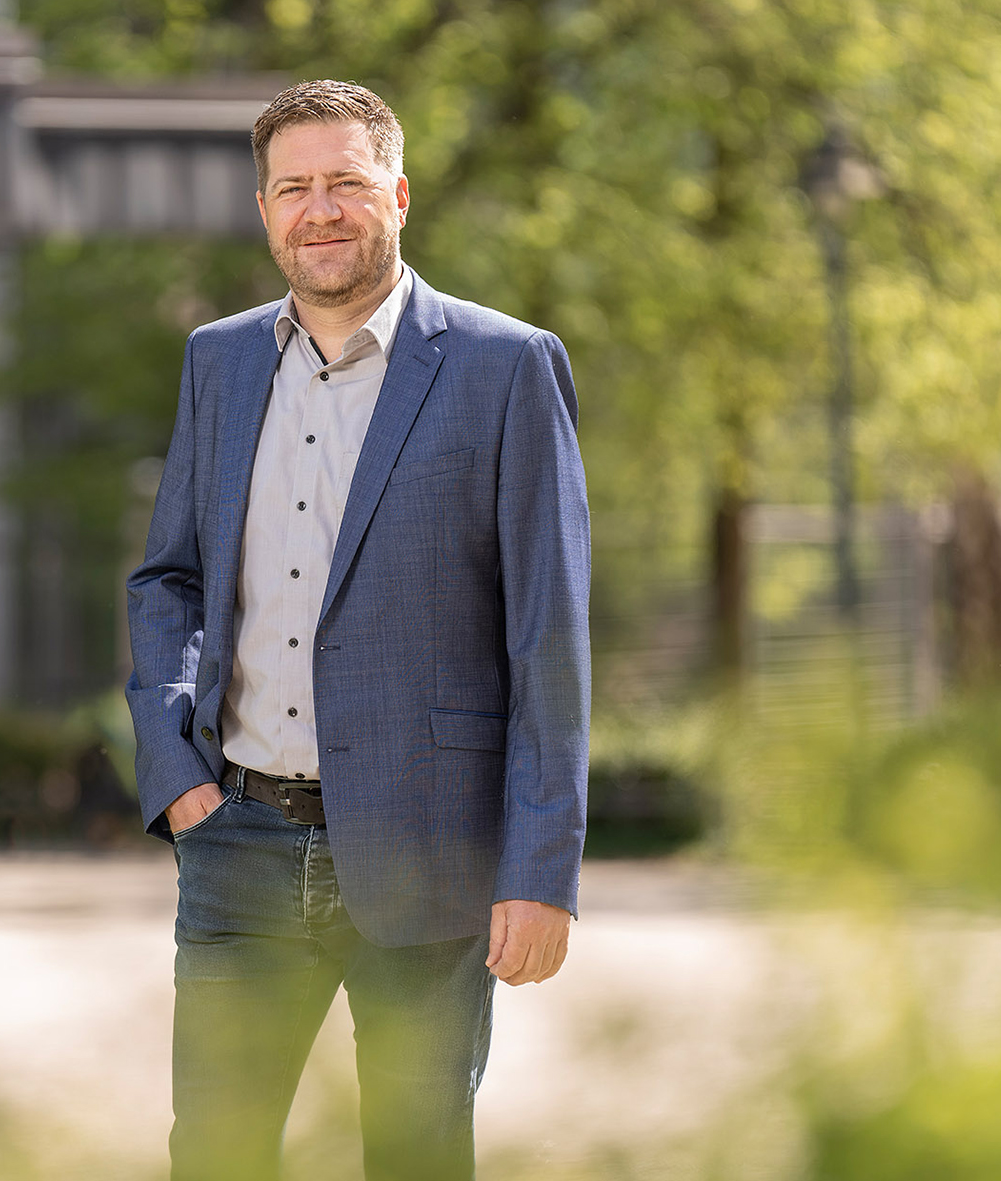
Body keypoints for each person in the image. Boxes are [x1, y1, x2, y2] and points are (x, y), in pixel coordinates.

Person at [125, 80, 591, 1180]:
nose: (319, 209)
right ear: (263, 208)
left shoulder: (504, 366)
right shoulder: (220, 359)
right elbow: (167, 577)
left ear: (397, 193)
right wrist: (172, 761)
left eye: (344, 182)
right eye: (294, 187)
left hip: (431, 852)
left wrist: (541, 865)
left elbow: (548, 635)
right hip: (235, 842)